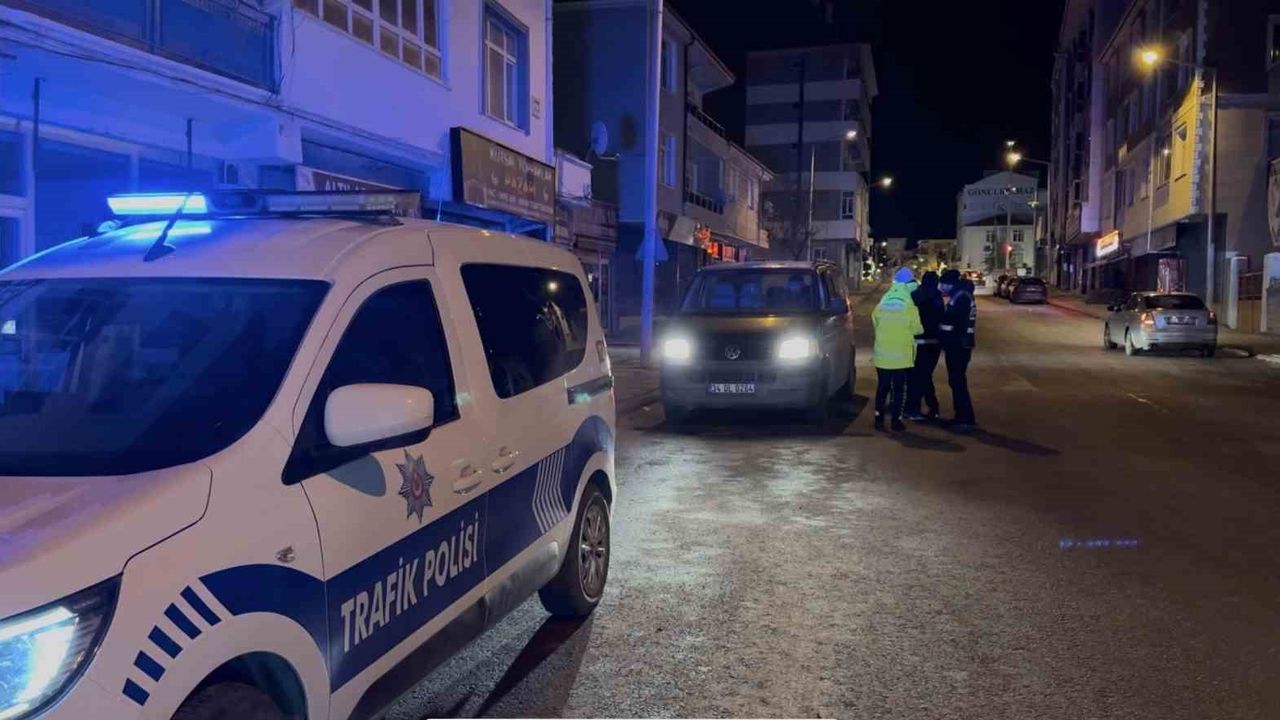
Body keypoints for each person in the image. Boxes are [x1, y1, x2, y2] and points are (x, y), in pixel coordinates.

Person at [872, 267, 923, 432]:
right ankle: (896, 421)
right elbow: (918, 329)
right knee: (899, 389)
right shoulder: (909, 306)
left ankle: (878, 420)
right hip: (901, 356)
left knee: (883, 387)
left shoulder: (883, 301)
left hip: (882, 354)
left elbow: (875, 321)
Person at [938, 269, 977, 430]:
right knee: (957, 381)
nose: (941, 287)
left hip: (958, 346)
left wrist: (942, 332)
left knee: (958, 382)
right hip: (960, 345)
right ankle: (962, 417)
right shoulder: (962, 294)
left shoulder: (960, 297)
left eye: (943, 283)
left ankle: (964, 419)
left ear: (950, 284)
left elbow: (955, 324)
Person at [906, 271, 944, 421]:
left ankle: (915, 408)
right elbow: (941, 318)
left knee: (917, 377)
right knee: (924, 376)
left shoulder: (915, 295)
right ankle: (930, 407)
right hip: (933, 343)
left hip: (917, 342)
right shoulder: (937, 297)